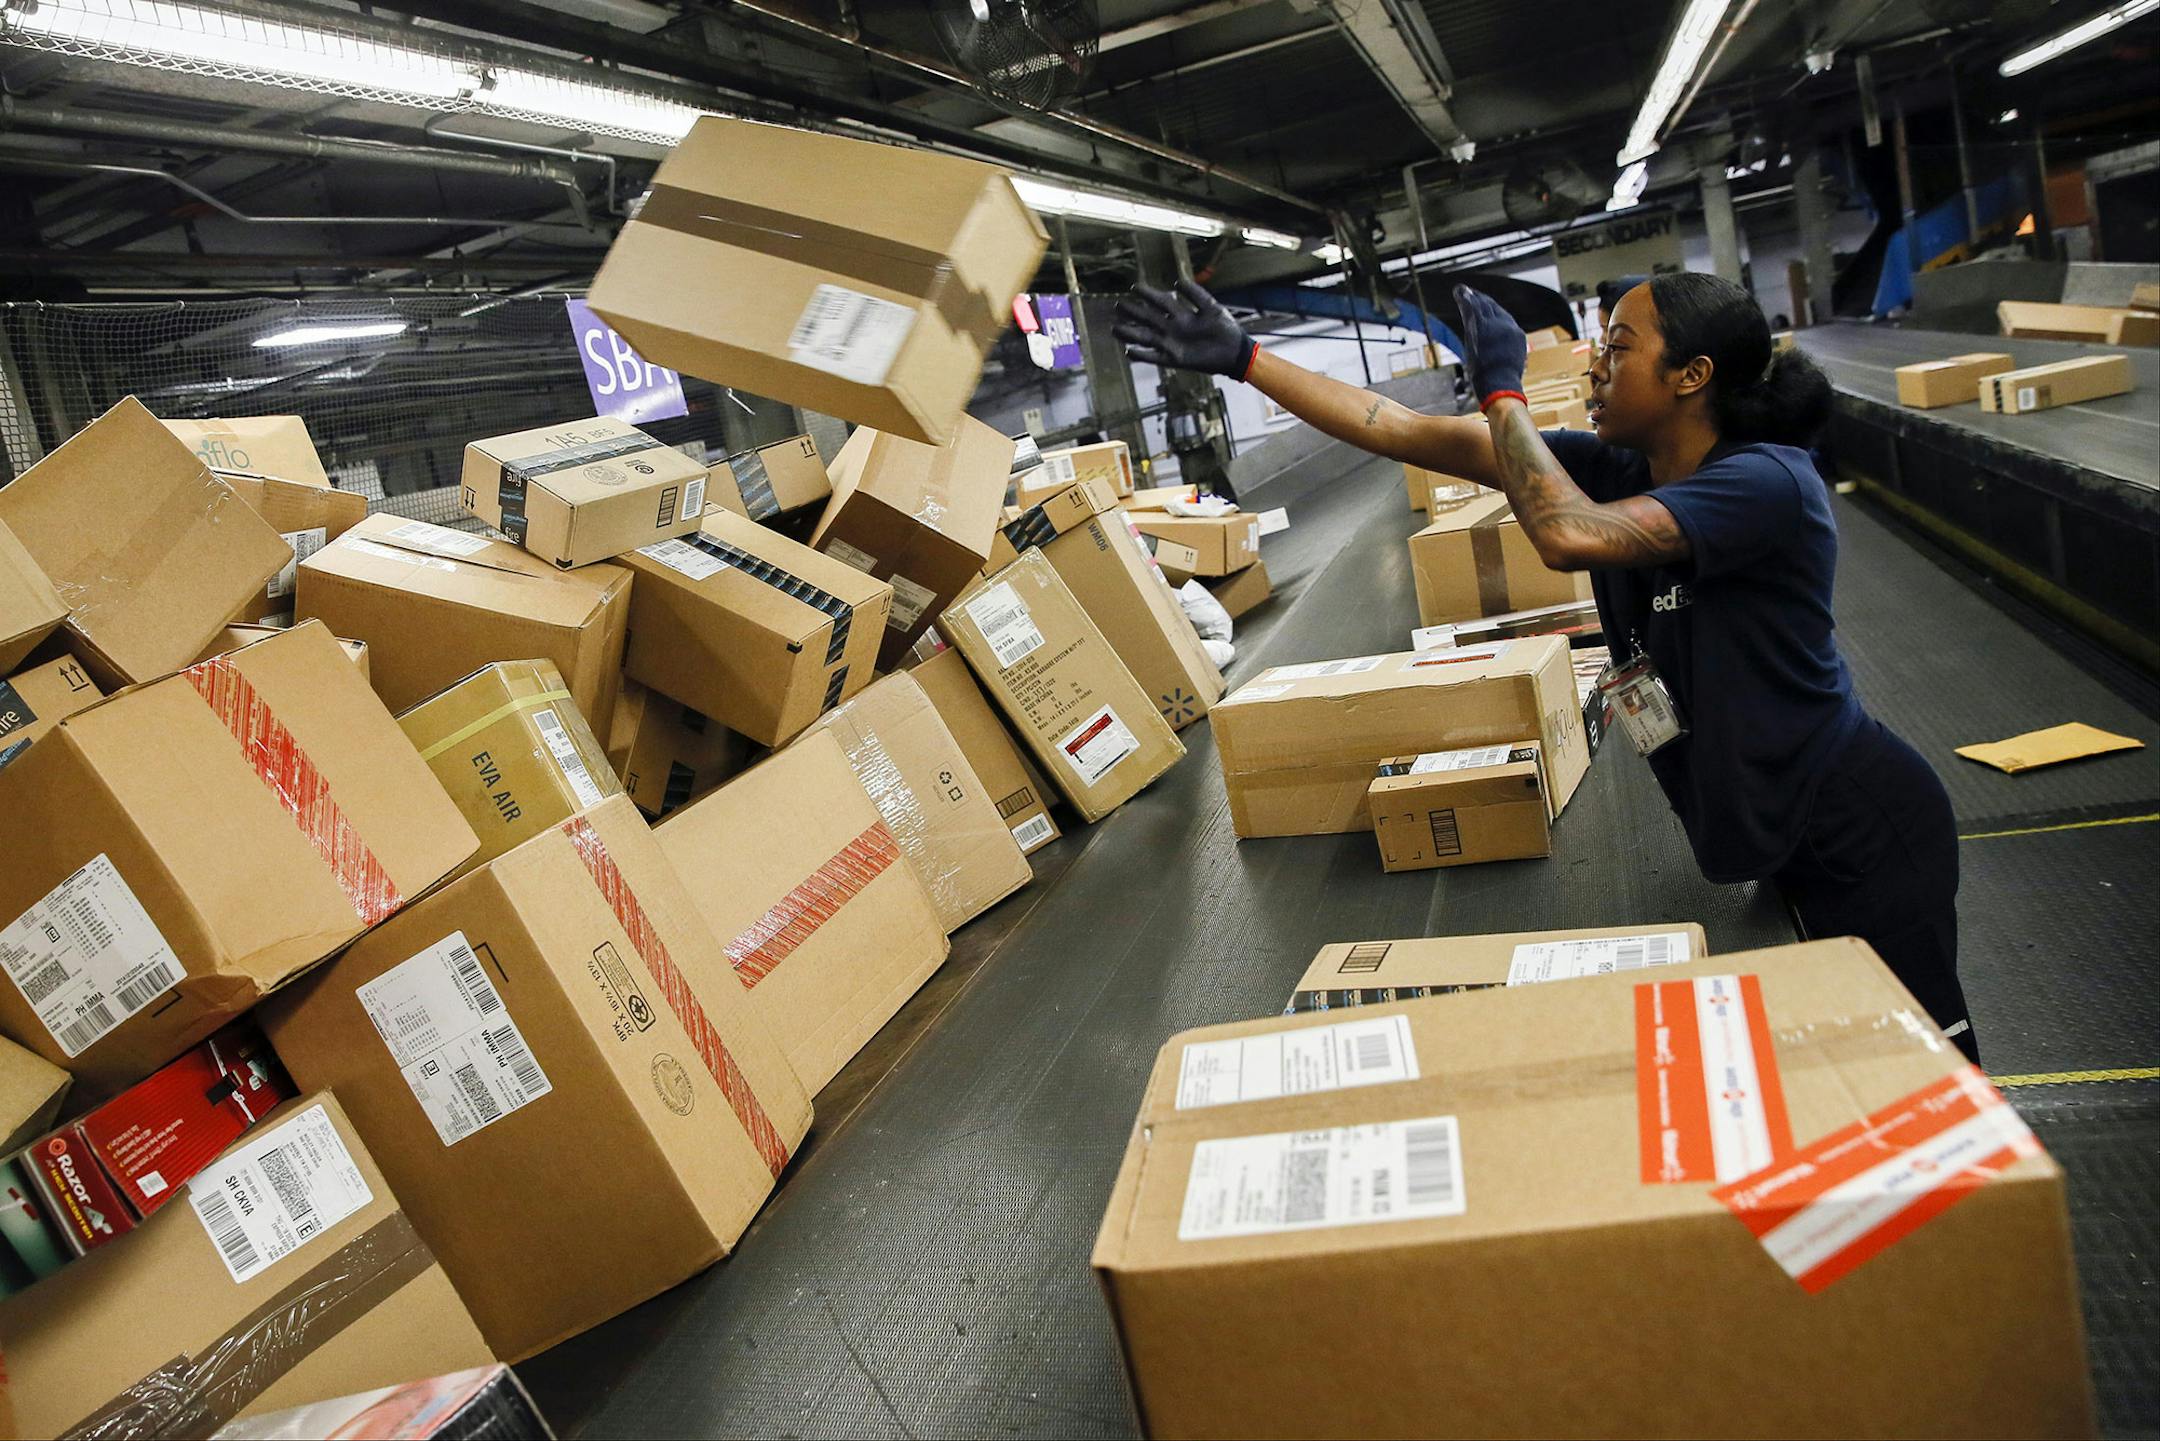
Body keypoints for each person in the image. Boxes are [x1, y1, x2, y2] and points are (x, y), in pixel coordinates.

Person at [1113, 274, 1976, 1061]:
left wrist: (1504, 393)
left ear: (1692, 374)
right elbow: (1404, 428)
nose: (1598, 366)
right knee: (1846, 1077)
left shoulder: (1767, 483)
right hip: (1777, 833)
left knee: (1933, 1088)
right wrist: (1246, 359)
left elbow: (1566, 537)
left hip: (1860, 830)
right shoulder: (1619, 468)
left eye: (1620, 347)